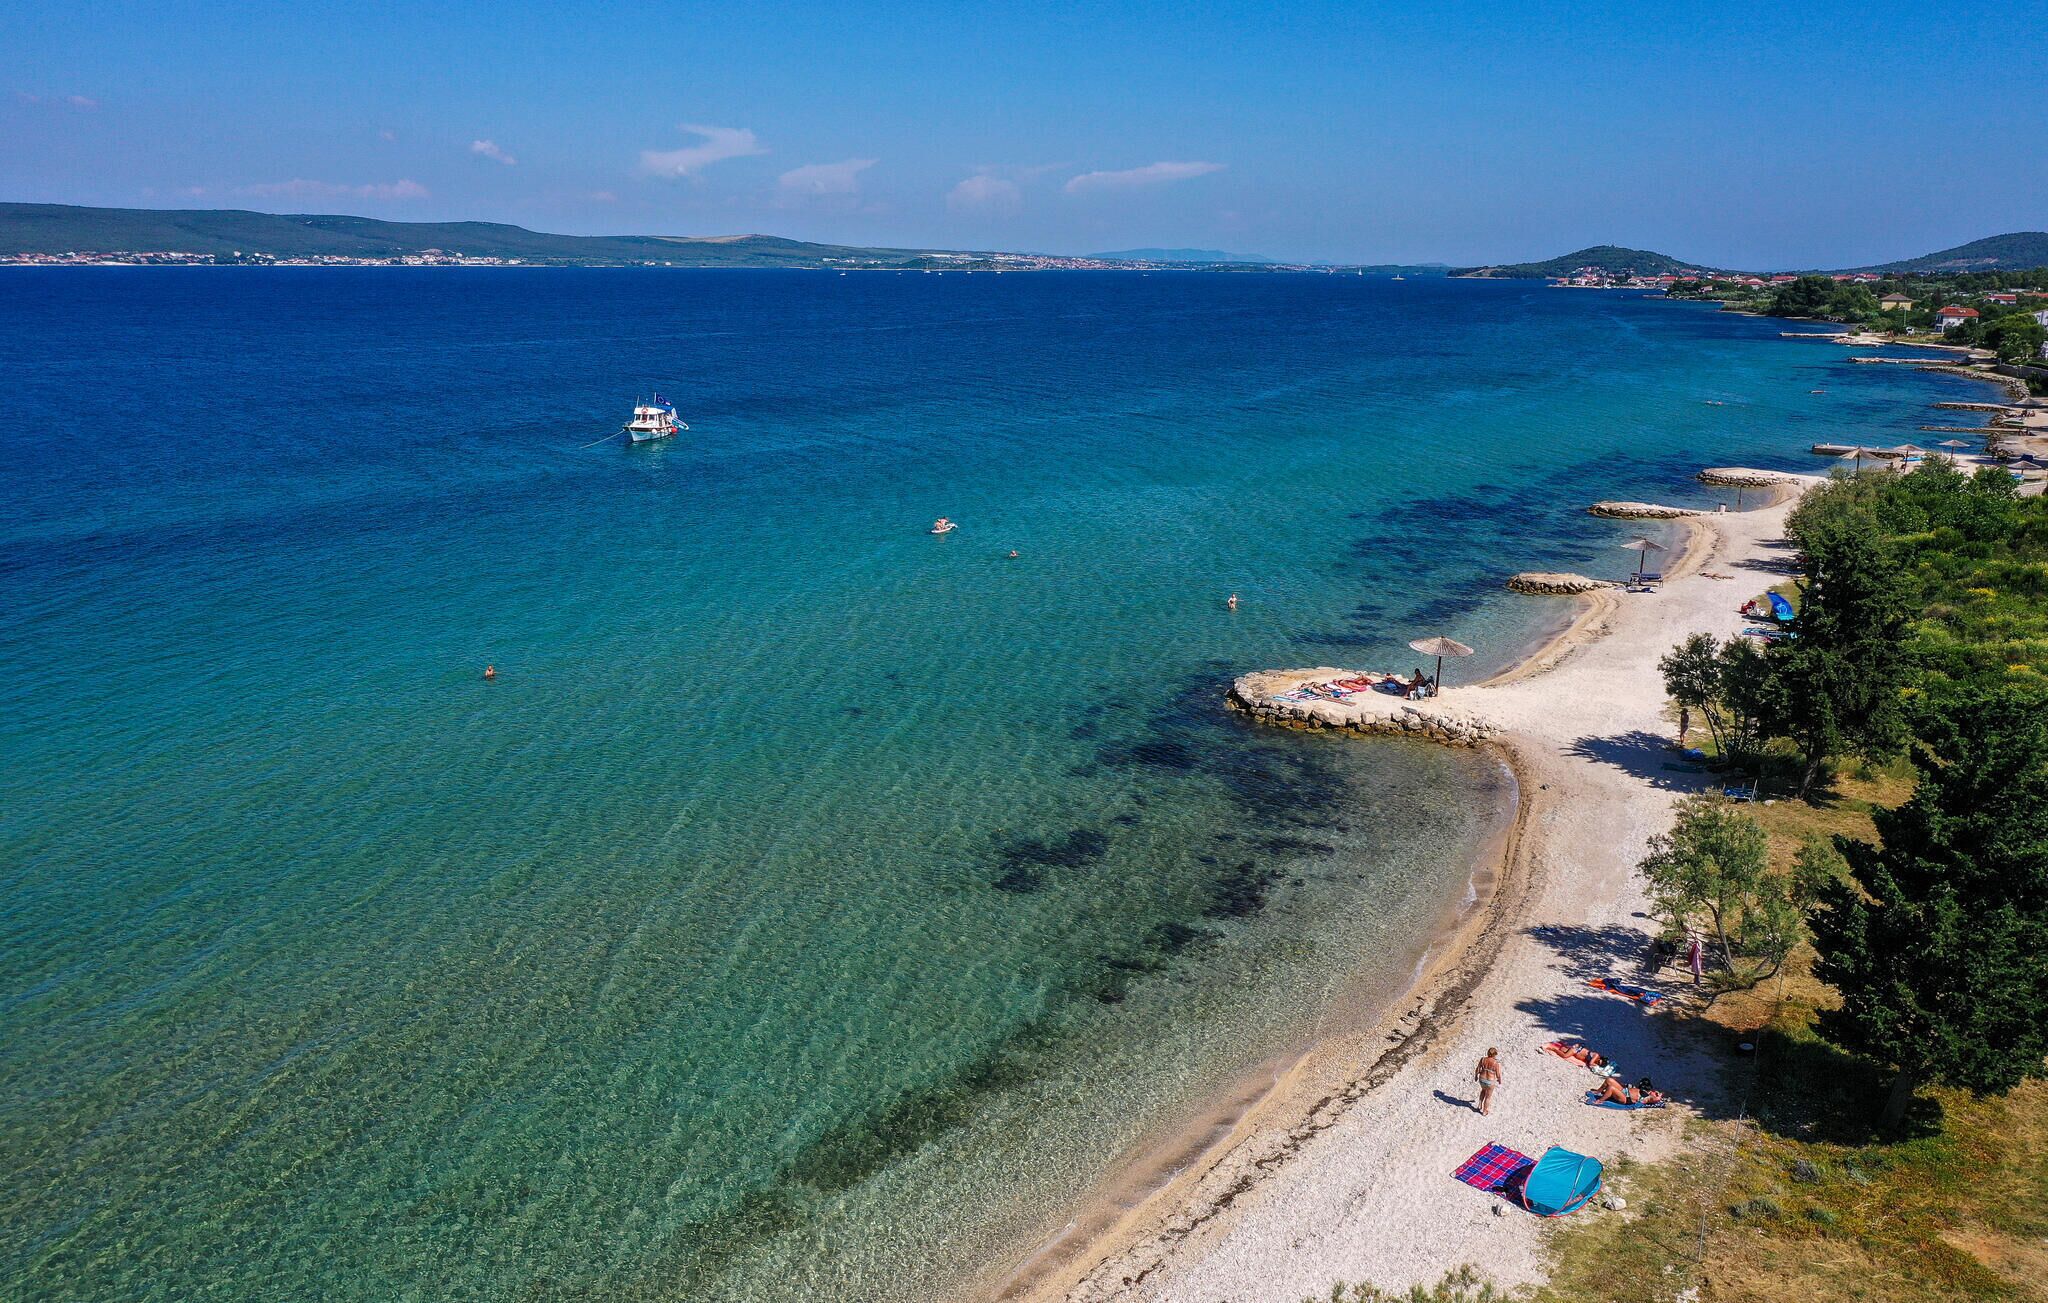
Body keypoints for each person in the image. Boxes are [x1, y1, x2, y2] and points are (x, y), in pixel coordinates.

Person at [1474, 1047, 1503, 1115]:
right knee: (1488, 1097)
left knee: (1483, 1090)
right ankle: (1484, 1111)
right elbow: (1498, 1074)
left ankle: (1479, 1105)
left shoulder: (1483, 1059)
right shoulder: (1496, 1063)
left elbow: (1478, 1068)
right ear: (1494, 1054)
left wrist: (1476, 1076)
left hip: (1482, 1079)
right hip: (1490, 1081)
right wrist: (1500, 1081)